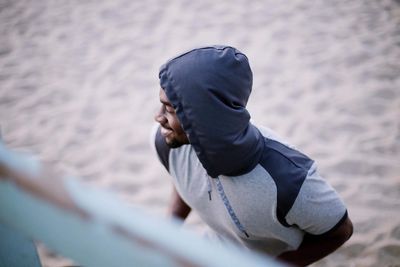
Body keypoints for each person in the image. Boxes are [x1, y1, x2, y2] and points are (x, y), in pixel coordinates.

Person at [152, 45, 353, 266]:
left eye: (169, 110)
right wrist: (168, 231)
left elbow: (340, 231)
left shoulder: (288, 180)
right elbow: (184, 177)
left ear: (202, 116)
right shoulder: (167, 143)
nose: (157, 117)